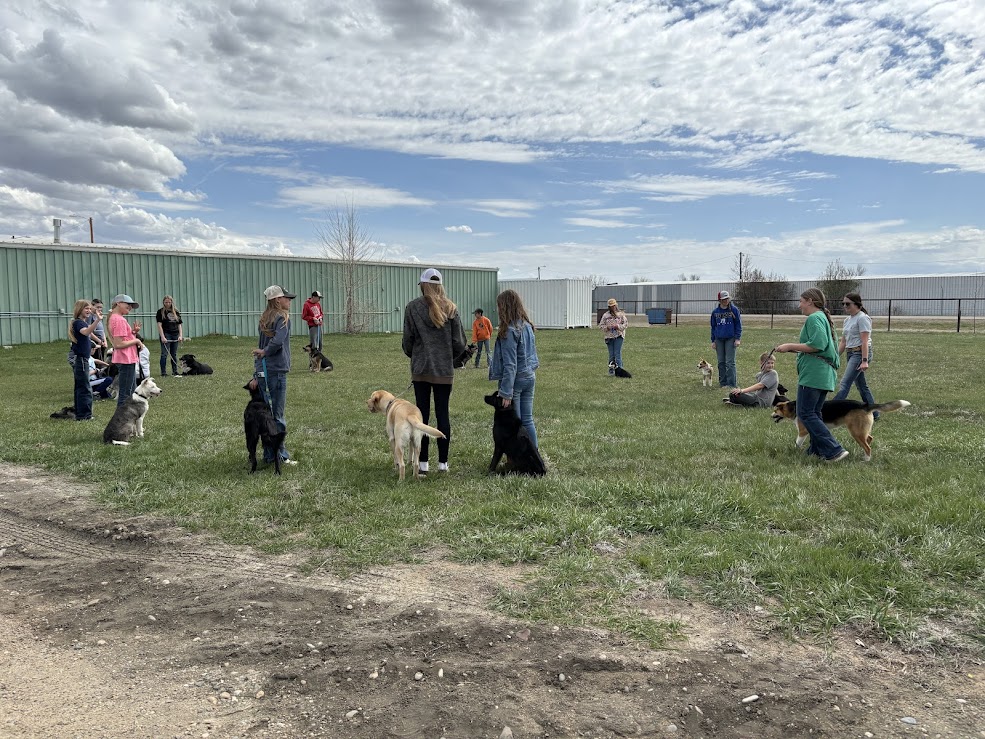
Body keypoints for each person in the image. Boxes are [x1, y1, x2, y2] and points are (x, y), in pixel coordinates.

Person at [402, 268, 466, 476]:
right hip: (443, 370)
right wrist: (450, 357)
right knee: (443, 415)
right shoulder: (451, 308)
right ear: (440, 285)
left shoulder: (412, 308)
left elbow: (408, 342)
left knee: (422, 417)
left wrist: (416, 354)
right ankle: (443, 464)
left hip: (421, 369)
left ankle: (422, 464)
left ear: (422, 285)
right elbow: (459, 342)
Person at [776, 288, 849, 462]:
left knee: (806, 413)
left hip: (814, 375)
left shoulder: (815, 318)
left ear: (810, 301)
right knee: (815, 413)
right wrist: (793, 349)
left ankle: (834, 449)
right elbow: (819, 348)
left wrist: (789, 345)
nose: (799, 305)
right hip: (822, 374)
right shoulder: (822, 318)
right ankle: (816, 450)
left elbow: (817, 345)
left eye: (801, 301)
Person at [250, 285, 297, 466]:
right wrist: (266, 351)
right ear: (277, 300)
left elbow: (263, 343)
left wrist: (256, 371)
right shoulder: (283, 317)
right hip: (276, 370)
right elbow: (277, 341)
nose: (289, 301)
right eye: (287, 298)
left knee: (265, 414)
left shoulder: (264, 318)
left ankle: (269, 454)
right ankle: (280, 455)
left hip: (263, 370)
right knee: (277, 415)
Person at [489, 290, 540, 447]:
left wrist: (505, 392)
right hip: (529, 376)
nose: (497, 309)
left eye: (498, 306)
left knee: (515, 423)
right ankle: (534, 453)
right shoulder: (526, 326)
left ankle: (518, 458)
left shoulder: (509, 331)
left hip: (516, 380)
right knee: (528, 419)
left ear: (504, 307)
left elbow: (510, 364)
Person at [833, 292, 878, 420]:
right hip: (850, 353)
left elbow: (864, 341)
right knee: (862, 386)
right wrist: (835, 356)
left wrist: (864, 360)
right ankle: (875, 413)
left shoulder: (862, 318)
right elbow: (843, 341)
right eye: (843, 304)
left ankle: (831, 410)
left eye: (847, 304)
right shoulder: (847, 320)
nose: (844, 306)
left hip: (860, 354)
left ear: (857, 304)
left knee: (844, 383)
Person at [68, 299, 102, 421]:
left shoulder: (81, 322)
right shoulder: (78, 323)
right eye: (85, 308)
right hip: (82, 359)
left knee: (80, 386)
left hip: (81, 359)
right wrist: (97, 320)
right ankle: (85, 415)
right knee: (85, 387)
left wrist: (99, 341)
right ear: (79, 310)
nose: (88, 311)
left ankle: (79, 412)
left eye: (89, 308)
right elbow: (86, 331)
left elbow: (88, 333)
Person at [108, 294, 143, 406]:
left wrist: (132, 333)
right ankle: (122, 419)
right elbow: (118, 344)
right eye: (128, 304)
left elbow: (121, 339)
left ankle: (127, 418)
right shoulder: (119, 320)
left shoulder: (115, 318)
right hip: (125, 359)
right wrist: (136, 341)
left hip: (125, 358)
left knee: (130, 390)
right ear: (118, 303)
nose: (130, 307)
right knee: (126, 394)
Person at [710, 290, 742, 388]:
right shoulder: (715, 312)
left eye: (727, 298)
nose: (725, 301)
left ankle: (731, 383)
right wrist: (713, 340)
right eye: (723, 299)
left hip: (730, 338)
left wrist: (737, 338)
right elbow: (713, 326)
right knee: (721, 362)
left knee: (730, 362)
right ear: (719, 300)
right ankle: (722, 382)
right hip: (719, 339)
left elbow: (738, 324)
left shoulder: (734, 310)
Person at [598, 298, 628, 375]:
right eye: (611, 306)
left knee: (617, 353)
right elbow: (601, 325)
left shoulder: (621, 315)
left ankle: (619, 370)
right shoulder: (605, 315)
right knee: (611, 354)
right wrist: (607, 327)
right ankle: (611, 370)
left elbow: (625, 324)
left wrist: (618, 326)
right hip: (609, 337)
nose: (612, 307)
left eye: (613, 306)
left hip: (619, 336)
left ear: (616, 305)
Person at [155, 295, 183, 376]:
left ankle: (175, 371)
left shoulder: (176, 312)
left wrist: (180, 335)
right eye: (166, 302)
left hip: (175, 334)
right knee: (164, 354)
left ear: (172, 302)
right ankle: (163, 372)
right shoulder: (160, 312)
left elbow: (179, 325)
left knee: (173, 354)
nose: (167, 304)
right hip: (166, 334)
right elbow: (159, 325)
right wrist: (163, 337)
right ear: (163, 302)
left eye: (169, 302)